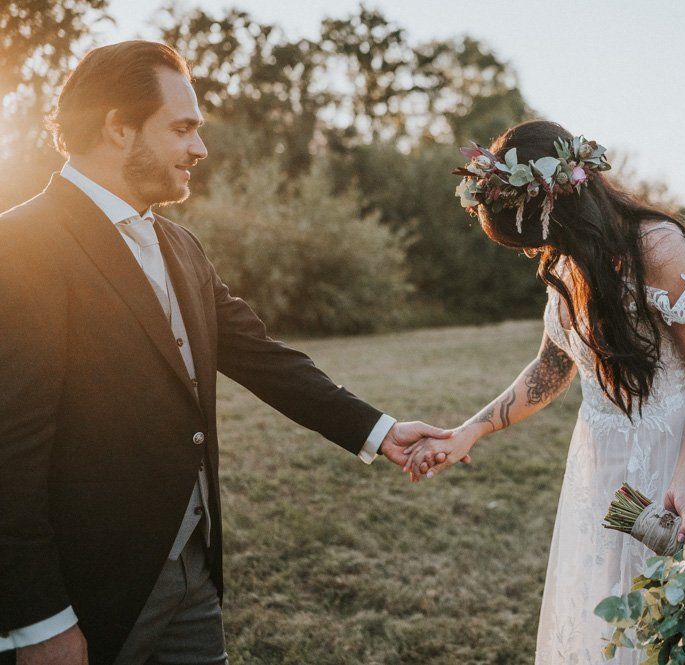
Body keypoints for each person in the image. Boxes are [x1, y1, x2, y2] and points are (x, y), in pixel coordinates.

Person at [0, 40, 448, 665]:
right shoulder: (21, 245)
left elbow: (263, 359)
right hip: (88, 592)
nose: (199, 150)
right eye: (183, 129)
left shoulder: (180, 246)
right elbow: (9, 456)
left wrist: (379, 431)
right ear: (117, 127)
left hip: (194, 571)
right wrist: (39, 622)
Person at [404, 120, 685, 663]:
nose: (539, 251)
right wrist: (470, 429)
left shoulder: (661, 250)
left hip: (684, 467)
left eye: (540, 237)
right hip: (603, 470)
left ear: (561, 208)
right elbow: (553, 366)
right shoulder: (570, 257)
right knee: (620, 629)